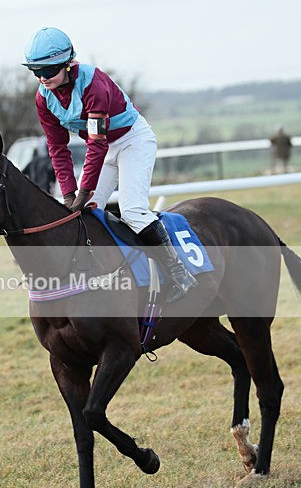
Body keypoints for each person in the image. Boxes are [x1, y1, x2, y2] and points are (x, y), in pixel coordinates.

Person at [22, 26, 196, 303]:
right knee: (83, 214)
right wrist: (69, 194)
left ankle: (178, 273)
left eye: (49, 70)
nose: (43, 78)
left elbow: (97, 144)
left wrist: (82, 192)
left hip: (132, 141)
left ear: (67, 63)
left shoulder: (93, 84)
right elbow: (57, 147)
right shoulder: (43, 99)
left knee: (132, 210)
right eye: (36, 72)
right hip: (103, 147)